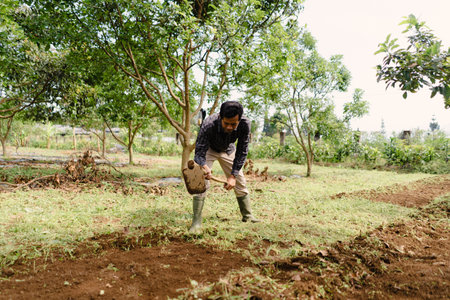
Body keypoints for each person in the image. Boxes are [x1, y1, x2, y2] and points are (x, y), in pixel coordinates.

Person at [189, 101, 260, 233]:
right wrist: (204, 166)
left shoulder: (245, 124)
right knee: (201, 180)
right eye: (226, 123)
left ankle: (247, 216)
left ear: (239, 119)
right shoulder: (208, 124)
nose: (229, 127)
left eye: (233, 124)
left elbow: (242, 150)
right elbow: (199, 151)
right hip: (209, 149)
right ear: (220, 117)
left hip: (228, 149)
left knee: (240, 181)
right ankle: (196, 222)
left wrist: (233, 175)